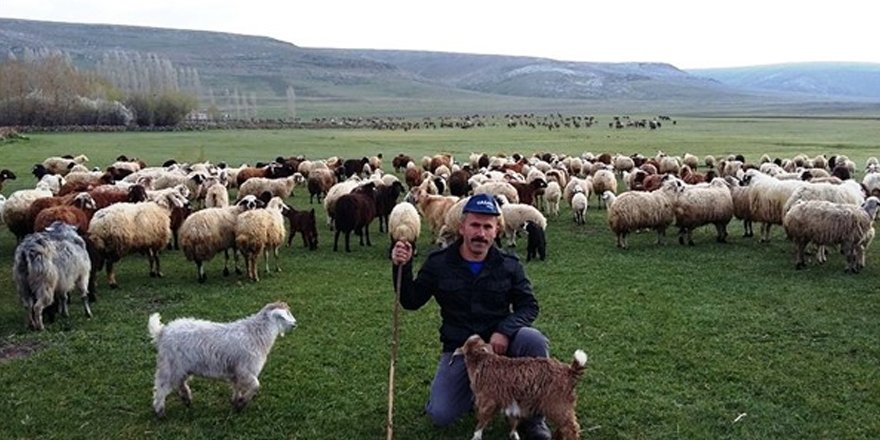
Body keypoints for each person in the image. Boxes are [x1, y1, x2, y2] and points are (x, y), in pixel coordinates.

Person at [390, 193, 551, 440]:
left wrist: (504, 330)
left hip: (501, 348)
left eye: (488, 226)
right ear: (461, 227)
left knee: (534, 339)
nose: (481, 233)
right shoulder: (438, 263)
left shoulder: (509, 264)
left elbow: (528, 306)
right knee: (441, 414)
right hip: (461, 349)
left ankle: (534, 418)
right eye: (475, 225)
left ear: (497, 230)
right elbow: (411, 301)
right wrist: (403, 265)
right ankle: (481, 392)